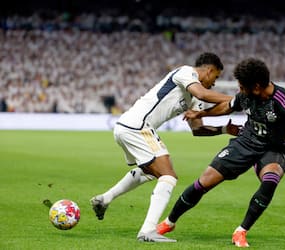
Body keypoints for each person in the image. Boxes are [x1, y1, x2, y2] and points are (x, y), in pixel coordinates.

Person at [157, 58, 285, 247]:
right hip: (245, 143)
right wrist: (201, 114)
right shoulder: (246, 95)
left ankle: (241, 231)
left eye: (242, 87)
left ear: (256, 87)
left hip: (273, 149)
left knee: (270, 179)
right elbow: (227, 106)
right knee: (204, 181)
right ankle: (169, 222)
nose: (239, 91)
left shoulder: (282, 100)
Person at [90, 52, 242, 242]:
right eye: (216, 77)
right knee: (168, 176)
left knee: (151, 172)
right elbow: (203, 93)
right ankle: (147, 231)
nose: (214, 83)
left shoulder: (195, 98)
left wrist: (224, 129)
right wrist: (238, 98)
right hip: (137, 126)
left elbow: (197, 130)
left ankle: (105, 199)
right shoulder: (185, 72)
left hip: (129, 128)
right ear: (209, 70)